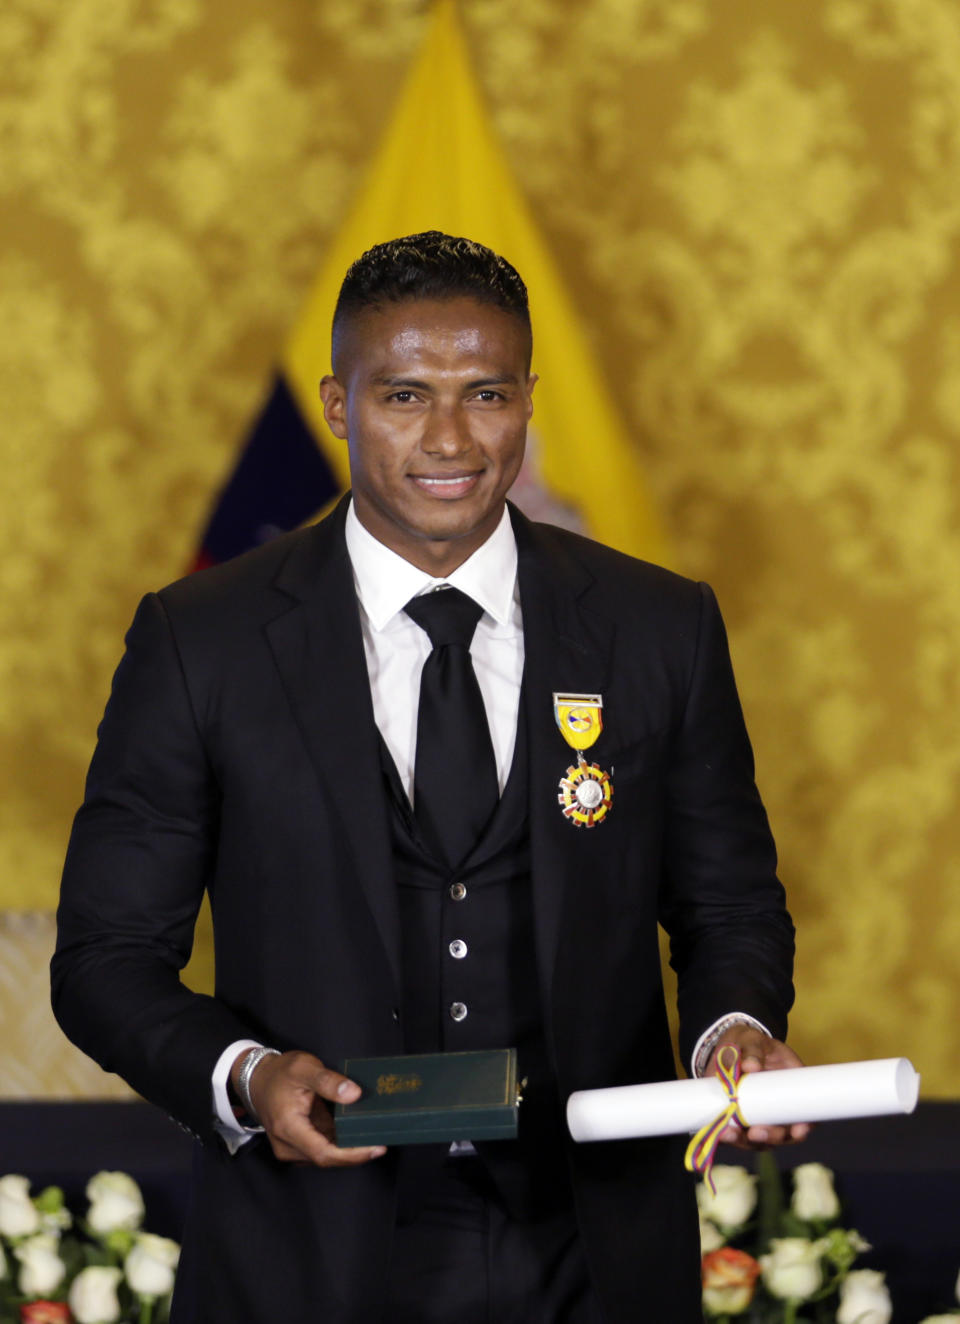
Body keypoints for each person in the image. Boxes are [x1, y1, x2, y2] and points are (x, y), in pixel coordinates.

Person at [53, 231, 804, 1324]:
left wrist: (729, 1026)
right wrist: (249, 1074)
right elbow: (107, 959)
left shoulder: (658, 626)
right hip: (310, 1246)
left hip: (593, 1245)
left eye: (486, 392)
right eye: (405, 394)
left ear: (529, 401)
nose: (450, 437)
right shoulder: (199, 641)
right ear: (336, 403)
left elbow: (727, 900)